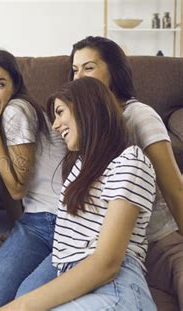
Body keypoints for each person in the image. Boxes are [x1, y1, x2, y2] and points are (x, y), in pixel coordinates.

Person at [0, 77, 157, 310]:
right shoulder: (79, 169)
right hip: (76, 283)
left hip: (113, 287)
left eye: (60, 112)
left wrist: (18, 307)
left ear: (87, 107)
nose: (55, 125)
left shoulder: (129, 160)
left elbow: (106, 264)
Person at [69, 36, 183, 307]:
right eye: (74, 69)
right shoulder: (83, 122)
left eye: (89, 67)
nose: (79, 77)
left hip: (159, 240)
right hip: (119, 249)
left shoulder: (139, 116)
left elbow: (174, 186)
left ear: (114, 71)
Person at [0, 49, 66, 311]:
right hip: (34, 222)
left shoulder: (16, 110)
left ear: (14, 85)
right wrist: (14, 228)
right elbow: (7, 184)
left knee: (26, 300)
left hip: (64, 222)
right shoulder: (3, 114)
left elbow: (17, 189)